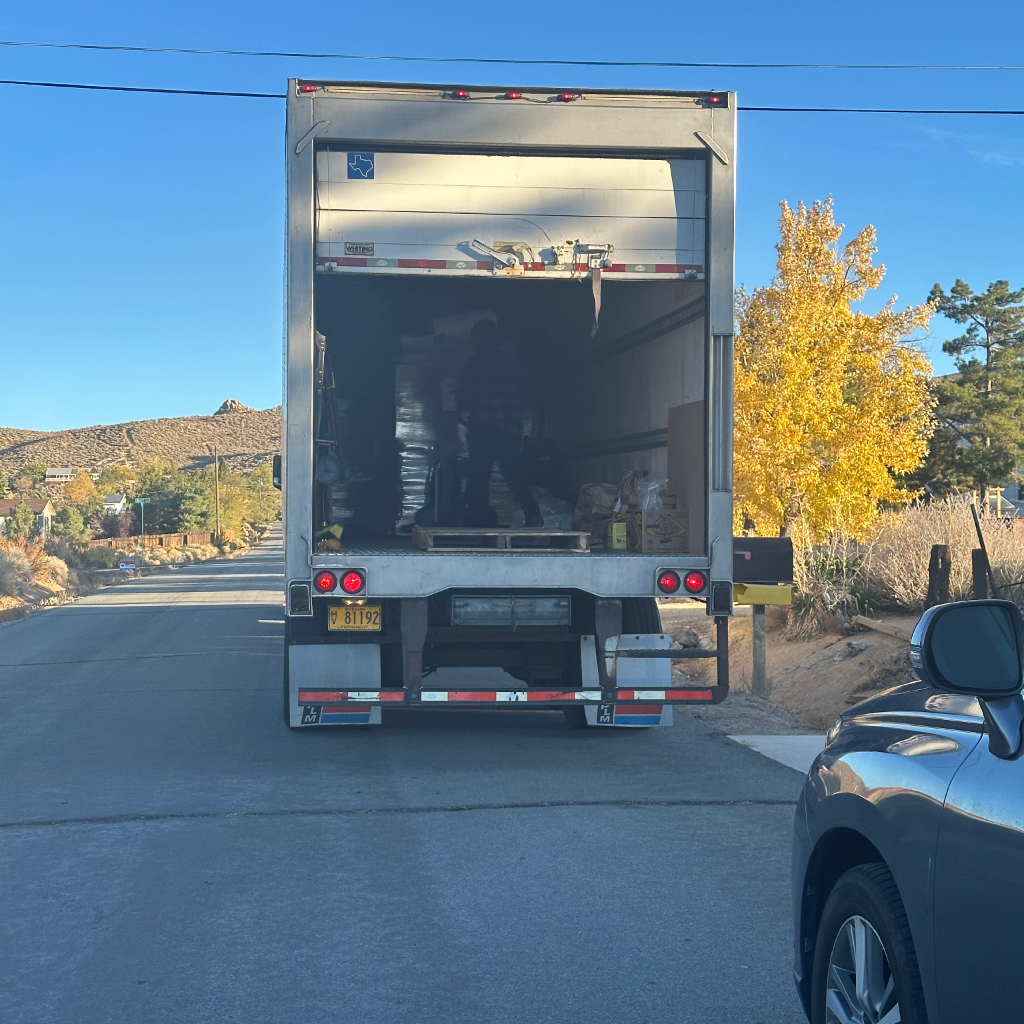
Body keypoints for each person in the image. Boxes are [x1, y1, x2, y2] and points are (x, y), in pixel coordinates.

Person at [457, 319, 544, 528]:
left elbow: (463, 397)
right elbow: (529, 397)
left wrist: (463, 416)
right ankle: (533, 515)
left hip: (483, 429)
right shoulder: (514, 364)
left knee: (479, 477)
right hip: (508, 430)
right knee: (514, 476)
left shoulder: (474, 365)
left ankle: (478, 521)